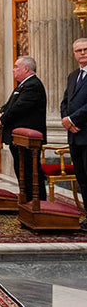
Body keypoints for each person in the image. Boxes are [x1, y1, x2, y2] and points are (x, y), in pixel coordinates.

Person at [0, 55, 47, 202]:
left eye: (16, 67)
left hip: (29, 141)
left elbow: (19, 108)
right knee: (22, 170)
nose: (13, 69)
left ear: (26, 68)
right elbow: (9, 105)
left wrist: (2, 120)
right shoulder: (23, 85)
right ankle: (26, 200)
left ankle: (37, 202)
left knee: (30, 172)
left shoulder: (33, 85)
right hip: (19, 140)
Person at [60, 38, 87, 228]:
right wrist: (66, 120)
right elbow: (65, 102)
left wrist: (73, 120)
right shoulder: (73, 75)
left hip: (86, 133)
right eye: (79, 50)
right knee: (82, 179)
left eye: (86, 49)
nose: (82, 53)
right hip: (74, 136)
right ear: (74, 54)